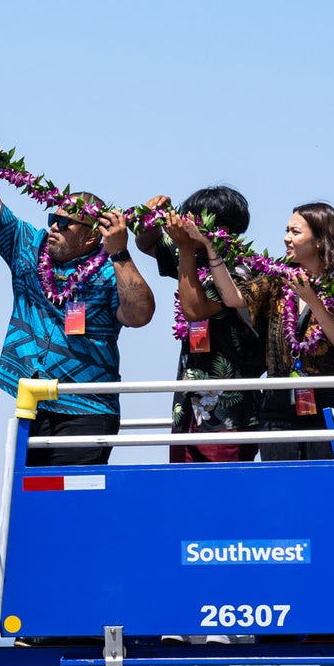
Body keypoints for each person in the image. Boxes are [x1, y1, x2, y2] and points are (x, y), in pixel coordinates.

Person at [0, 116, 156, 464]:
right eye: (52, 219)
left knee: (69, 495)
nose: (54, 227)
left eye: (65, 222)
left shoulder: (109, 270)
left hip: (87, 410)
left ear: (92, 235)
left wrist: (120, 253)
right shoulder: (29, 248)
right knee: (29, 494)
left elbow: (139, 315)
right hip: (32, 404)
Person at [214, 203, 334, 460]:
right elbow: (233, 297)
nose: (286, 238)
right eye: (286, 231)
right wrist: (212, 251)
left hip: (327, 400)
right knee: (280, 480)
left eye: (295, 232)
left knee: (324, 478)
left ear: (319, 241)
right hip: (277, 401)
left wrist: (313, 300)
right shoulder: (278, 279)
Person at [136, 187, 267, 462]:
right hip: (187, 410)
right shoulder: (194, 258)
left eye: (191, 220)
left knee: (222, 486)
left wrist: (185, 248)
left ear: (219, 229)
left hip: (229, 415)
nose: (183, 225)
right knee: (184, 486)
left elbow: (195, 310)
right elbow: (147, 244)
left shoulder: (245, 271)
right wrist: (150, 217)